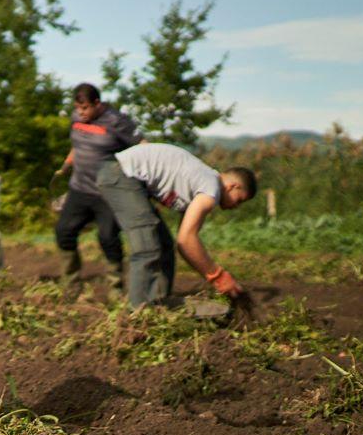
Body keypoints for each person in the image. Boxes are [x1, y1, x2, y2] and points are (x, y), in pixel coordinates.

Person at [94, 143, 255, 309]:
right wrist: (218, 276)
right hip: (120, 173)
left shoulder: (202, 182)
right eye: (239, 200)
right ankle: (138, 314)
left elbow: (185, 245)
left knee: (164, 245)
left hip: (123, 175)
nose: (236, 206)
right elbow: (186, 240)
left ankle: (159, 303)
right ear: (233, 186)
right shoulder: (210, 189)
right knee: (147, 247)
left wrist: (213, 275)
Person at [55, 83, 142, 287]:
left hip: (108, 193)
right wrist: (66, 165)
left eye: (85, 108)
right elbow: (78, 144)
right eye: (77, 108)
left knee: (107, 237)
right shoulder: (77, 118)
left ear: (97, 103)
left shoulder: (117, 121)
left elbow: (142, 148)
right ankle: (70, 284)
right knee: (63, 231)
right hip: (79, 188)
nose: (80, 112)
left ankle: (115, 287)